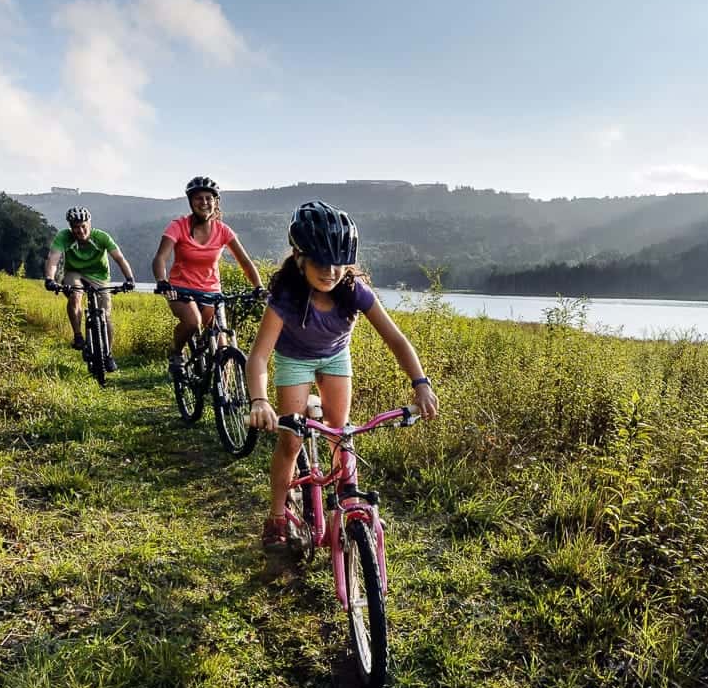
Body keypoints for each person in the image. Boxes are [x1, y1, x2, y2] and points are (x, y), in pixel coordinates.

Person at [245, 201, 439, 550]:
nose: (331, 271)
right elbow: (259, 356)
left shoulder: (354, 290)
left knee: (341, 431)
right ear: (299, 256)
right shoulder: (287, 294)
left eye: (339, 262)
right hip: (295, 359)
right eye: (321, 262)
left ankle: (348, 500)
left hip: (335, 356)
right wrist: (259, 400)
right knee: (290, 440)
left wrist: (420, 383)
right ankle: (276, 516)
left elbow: (396, 339)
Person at [151, 177, 266, 379]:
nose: (204, 202)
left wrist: (259, 286)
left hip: (211, 292)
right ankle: (176, 353)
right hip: (180, 289)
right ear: (190, 202)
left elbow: (245, 262)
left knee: (222, 343)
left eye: (208, 198)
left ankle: (226, 392)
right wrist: (162, 281)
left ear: (215, 202)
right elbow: (160, 257)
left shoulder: (223, 230)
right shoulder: (178, 226)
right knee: (192, 322)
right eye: (198, 198)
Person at [44, 206, 137, 371]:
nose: (80, 231)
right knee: (75, 294)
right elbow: (53, 258)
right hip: (74, 273)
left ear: (89, 223)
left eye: (83, 226)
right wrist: (50, 279)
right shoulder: (64, 237)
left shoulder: (101, 237)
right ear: (70, 227)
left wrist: (130, 279)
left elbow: (119, 258)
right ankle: (78, 336)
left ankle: (108, 354)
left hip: (99, 276)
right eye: (75, 227)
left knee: (105, 316)